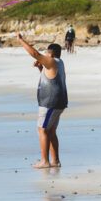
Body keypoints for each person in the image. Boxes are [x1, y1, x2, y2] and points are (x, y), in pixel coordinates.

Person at [17, 34, 68, 169]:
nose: (45, 56)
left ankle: (45, 161)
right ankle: (55, 161)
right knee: (50, 131)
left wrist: (21, 40)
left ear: (50, 54)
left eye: (46, 54)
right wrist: (40, 68)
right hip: (59, 102)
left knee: (42, 130)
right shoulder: (59, 63)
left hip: (50, 103)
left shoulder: (51, 62)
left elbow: (34, 53)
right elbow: (51, 79)